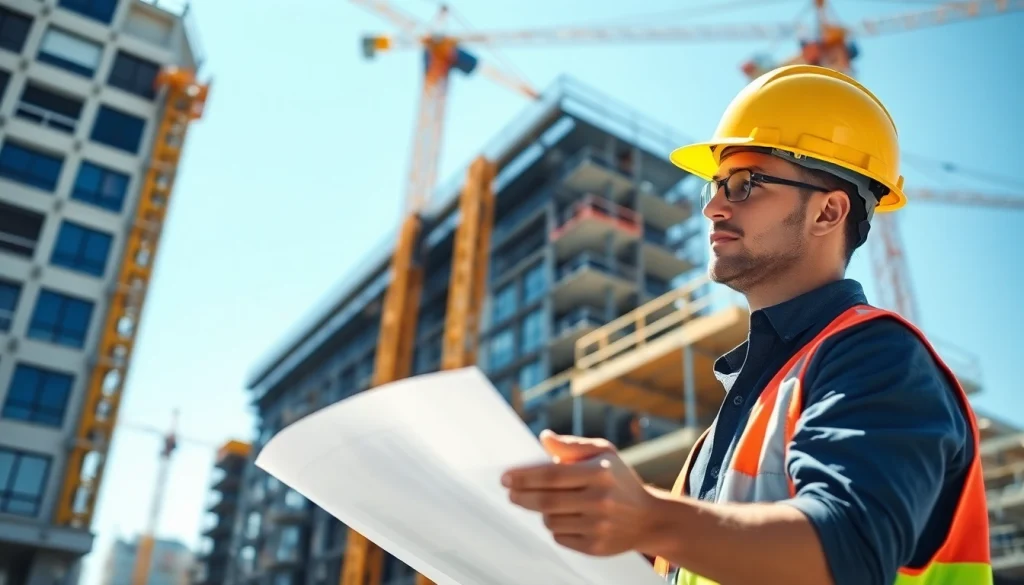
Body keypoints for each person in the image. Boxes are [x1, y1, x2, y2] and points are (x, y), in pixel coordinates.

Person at [500, 65, 992, 585]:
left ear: (828, 212)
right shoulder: (731, 426)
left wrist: (647, 517)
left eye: (743, 184)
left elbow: (849, 550)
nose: (712, 207)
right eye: (714, 186)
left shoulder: (878, 357)